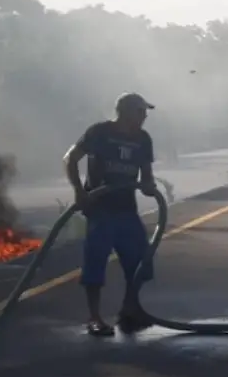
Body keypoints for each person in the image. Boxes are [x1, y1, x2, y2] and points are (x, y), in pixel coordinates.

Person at [65, 92, 159, 337]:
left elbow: (146, 176)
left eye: (145, 112)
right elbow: (70, 158)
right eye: (140, 111)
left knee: (139, 263)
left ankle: (130, 309)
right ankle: (94, 317)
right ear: (125, 112)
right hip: (100, 209)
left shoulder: (143, 139)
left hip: (127, 209)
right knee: (95, 263)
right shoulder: (99, 133)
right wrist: (79, 191)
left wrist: (149, 186)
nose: (144, 116)